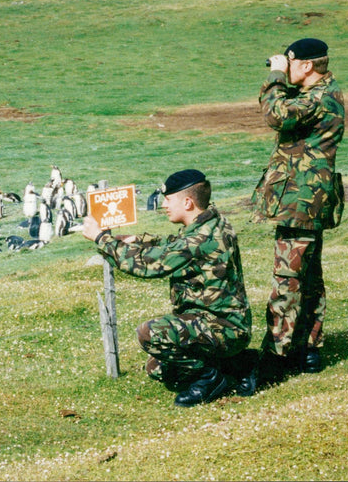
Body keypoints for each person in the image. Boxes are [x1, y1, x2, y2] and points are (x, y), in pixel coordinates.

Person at [82, 169, 253, 407]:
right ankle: (240, 365)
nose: (163, 205)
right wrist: (139, 240)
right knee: (157, 368)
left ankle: (210, 379)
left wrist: (102, 239)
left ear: (187, 202)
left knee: (149, 333)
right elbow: (175, 246)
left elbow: (148, 266)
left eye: (168, 199)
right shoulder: (214, 222)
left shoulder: (199, 239)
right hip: (224, 324)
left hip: (223, 327)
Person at [252, 37, 345, 383]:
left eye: (290, 62)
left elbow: (276, 114)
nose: (285, 67)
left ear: (306, 66)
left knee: (288, 279)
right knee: (309, 277)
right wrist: (283, 75)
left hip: (299, 201)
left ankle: (277, 356)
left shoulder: (316, 98)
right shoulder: (325, 92)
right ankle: (309, 349)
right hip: (312, 201)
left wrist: (276, 76)